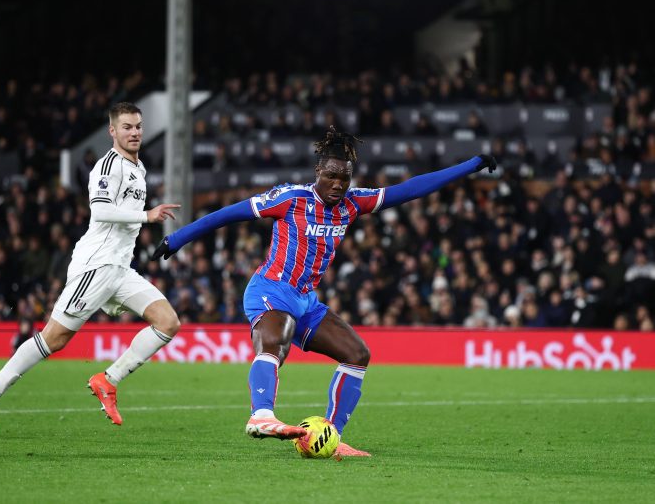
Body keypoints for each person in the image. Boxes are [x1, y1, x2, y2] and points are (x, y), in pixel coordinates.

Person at [153, 126, 497, 456]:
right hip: (270, 289)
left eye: (344, 178)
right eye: (331, 176)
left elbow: (412, 189)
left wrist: (471, 165)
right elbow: (227, 215)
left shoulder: (354, 203)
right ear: (318, 171)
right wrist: (177, 238)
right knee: (276, 340)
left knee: (357, 354)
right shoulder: (290, 199)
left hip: (305, 300)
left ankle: (332, 435)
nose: (337, 184)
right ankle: (261, 416)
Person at [0, 102, 182, 437]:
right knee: (55, 338)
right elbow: (100, 211)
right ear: (112, 131)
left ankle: (108, 380)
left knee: (168, 322)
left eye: (138, 126)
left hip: (119, 268)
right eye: (127, 127)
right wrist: (147, 215)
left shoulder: (138, 168)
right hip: (96, 265)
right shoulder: (107, 166)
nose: (135, 133)